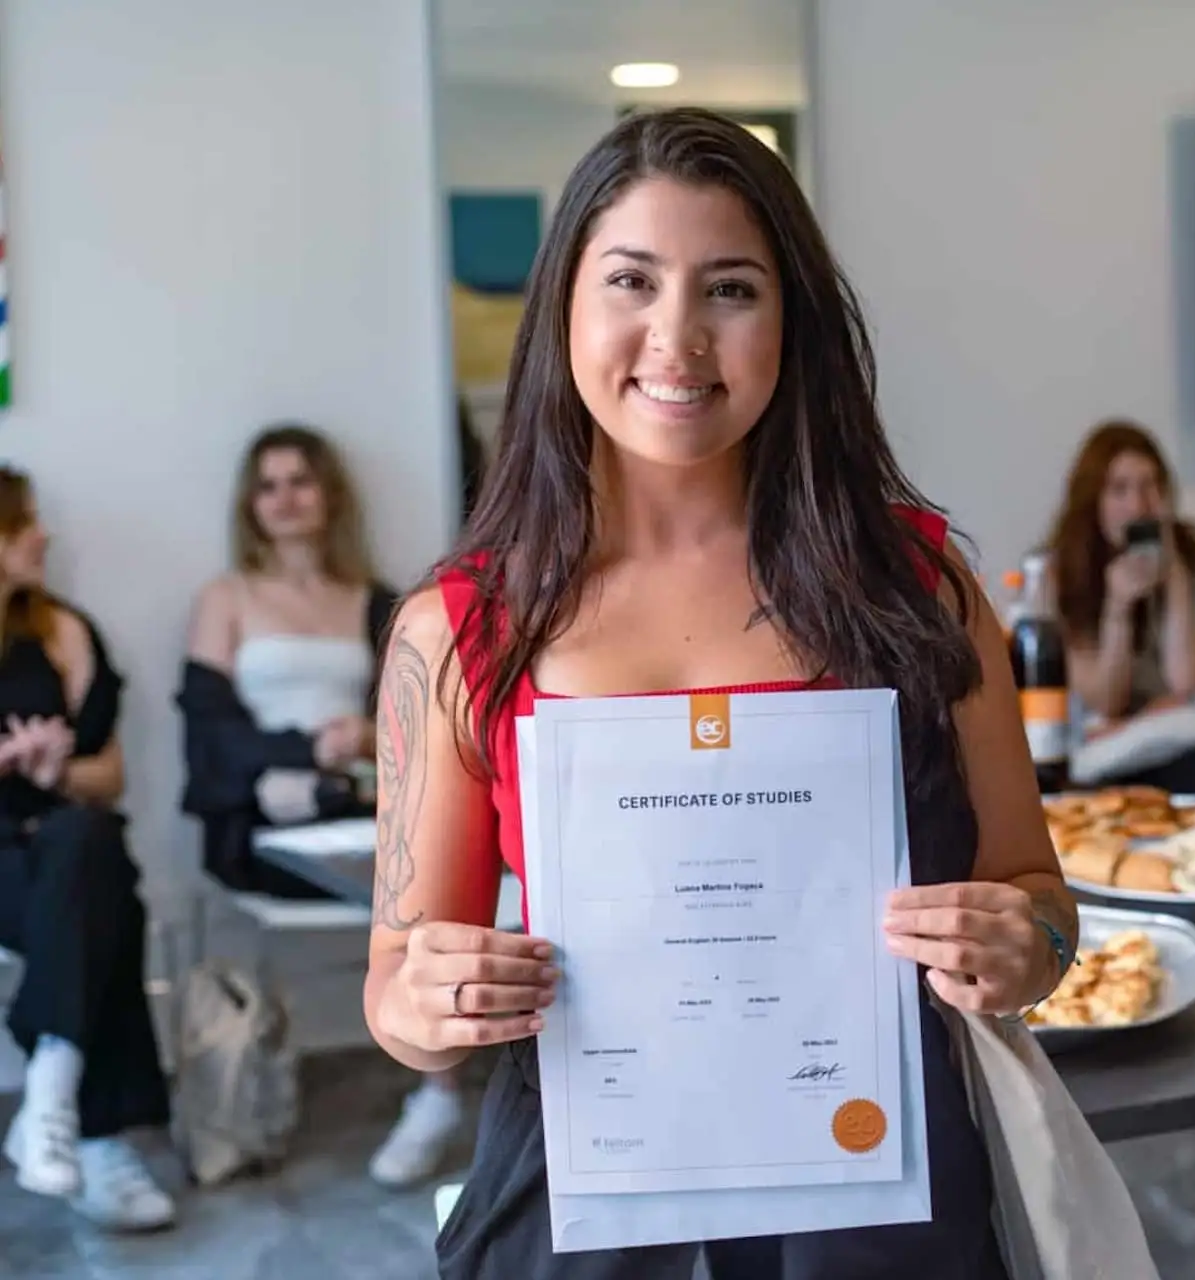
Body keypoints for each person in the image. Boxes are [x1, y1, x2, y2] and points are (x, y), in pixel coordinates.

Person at [367, 107, 1074, 1278]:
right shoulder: (454, 629)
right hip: (580, 1210)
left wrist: (1026, 943)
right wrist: (435, 999)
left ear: (792, 322)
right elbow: (396, 989)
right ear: (565, 310)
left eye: (731, 289)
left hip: (883, 1210)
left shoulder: (918, 586)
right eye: (633, 282)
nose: (678, 338)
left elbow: (1039, 895)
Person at [180, 425, 464, 1188]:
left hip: (359, 809)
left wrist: (366, 736)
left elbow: (421, 725)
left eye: (300, 481)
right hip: (265, 825)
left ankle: (436, 1090)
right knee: (411, 888)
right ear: (251, 503)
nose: (285, 499)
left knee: (438, 872)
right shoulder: (227, 598)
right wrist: (306, 752)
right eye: (268, 485)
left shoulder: (376, 600)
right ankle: (436, 1083)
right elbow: (209, 734)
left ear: (328, 494)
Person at [0, 467, 175, 1231]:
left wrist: (54, 768)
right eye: (22, 524)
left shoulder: (65, 630)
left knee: (87, 841)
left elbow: (109, 775)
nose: (42, 535)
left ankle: (50, 1093)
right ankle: (97, 1137)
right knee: (106, 898)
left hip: (65, 848)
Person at [1047, 420, 1195, 794]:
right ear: (1093, 500)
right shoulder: (1060, 573)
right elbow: (1106, 700)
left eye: (1150, 486)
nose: (1137, 505)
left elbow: (1184, 681)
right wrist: (1118, 607)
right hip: (1098, 752)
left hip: (1169, 741)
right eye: (1119, 490)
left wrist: (1175, 572)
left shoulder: (1190, 558)